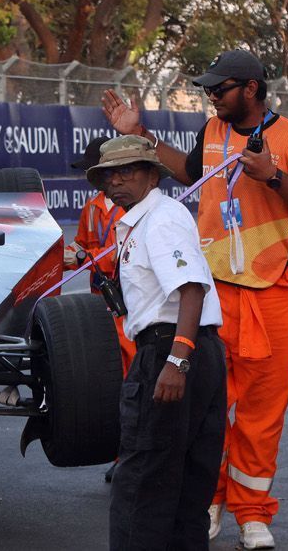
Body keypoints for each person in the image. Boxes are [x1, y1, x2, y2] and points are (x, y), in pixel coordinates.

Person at [103, 49, 288, 551]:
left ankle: (253, 514)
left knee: (261, 413)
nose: (211, 96)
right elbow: (190, 173)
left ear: (250, 88)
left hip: (273, 295)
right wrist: (140, 135)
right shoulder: (211, 132)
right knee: (206, 410)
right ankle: (207, 502)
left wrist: (272, 176)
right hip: (212, 296)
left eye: (220, 88)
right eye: (208, 89)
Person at [91, 135, 226, 551]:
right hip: (190, 349)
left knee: (141, 484)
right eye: (109, 174)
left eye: (127, 170)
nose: (115, 181)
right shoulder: (139, 221)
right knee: (184, 484)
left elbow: (191, 289)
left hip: (172, 350)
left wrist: (177, 361)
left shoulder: (161, 218)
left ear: (153, 174)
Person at [69, 136, 136, 371]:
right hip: (100, 302)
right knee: (104, 363)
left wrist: (82, 259)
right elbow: (80, 245)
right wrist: (55, 257)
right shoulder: (91, 207)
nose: (88, 178)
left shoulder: (132, 205)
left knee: (130, 358)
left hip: (127, 299)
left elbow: (123, 253)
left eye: (91, 171)